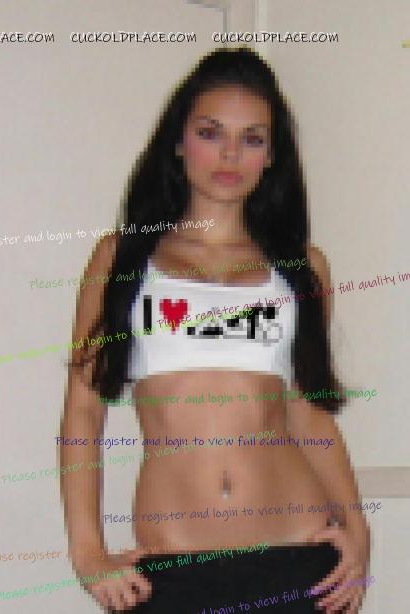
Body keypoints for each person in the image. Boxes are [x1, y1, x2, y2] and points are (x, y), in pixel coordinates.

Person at [60, 46, 370, 613]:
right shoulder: (122, 259)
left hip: (298, 559)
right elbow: (83, 412)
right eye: (210, 132)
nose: (230, 153)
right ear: (178, 142)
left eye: (252, 138)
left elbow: (309, 412)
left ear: (272, 156)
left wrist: (357, 529)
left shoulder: (301, 268)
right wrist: (87, 551)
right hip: (175, 572)